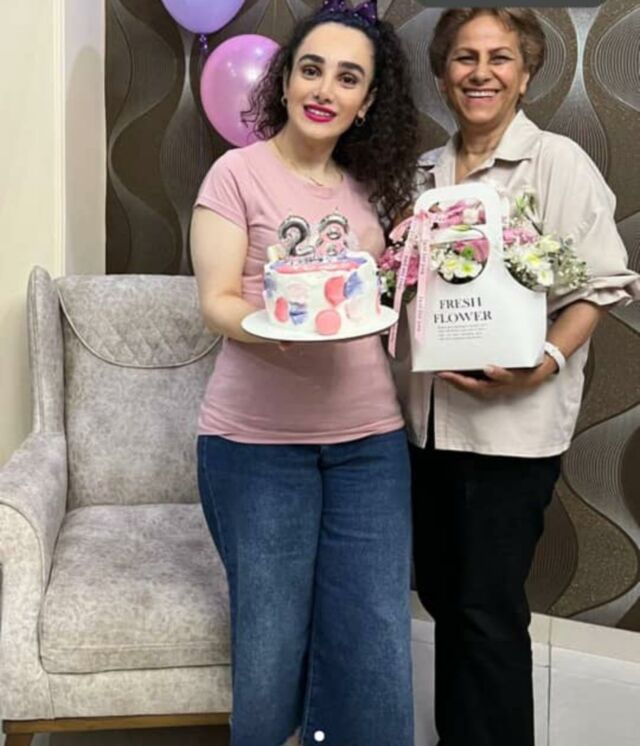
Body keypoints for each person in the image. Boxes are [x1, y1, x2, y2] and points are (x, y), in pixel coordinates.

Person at [401, 8, 640, 746]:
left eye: (499, 58)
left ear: (526, 74)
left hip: (510, 434)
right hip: (426, 429)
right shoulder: (423, 174)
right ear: (443, 74)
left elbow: (599, 284)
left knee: (488, 611)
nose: (481, 73)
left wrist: (545, 363)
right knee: (445, 597)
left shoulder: (557, 163)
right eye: (464, 57)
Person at [190, 2, 419, 745]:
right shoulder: (236, 174)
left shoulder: (370, 191)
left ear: (367, 101)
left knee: (374, 636)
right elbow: (218, 301)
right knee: (270, 644)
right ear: (285, 79)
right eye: (312, 69)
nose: (325, 89)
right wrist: (277, 326)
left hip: (369, 445)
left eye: (348, 78)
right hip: (255, 447)